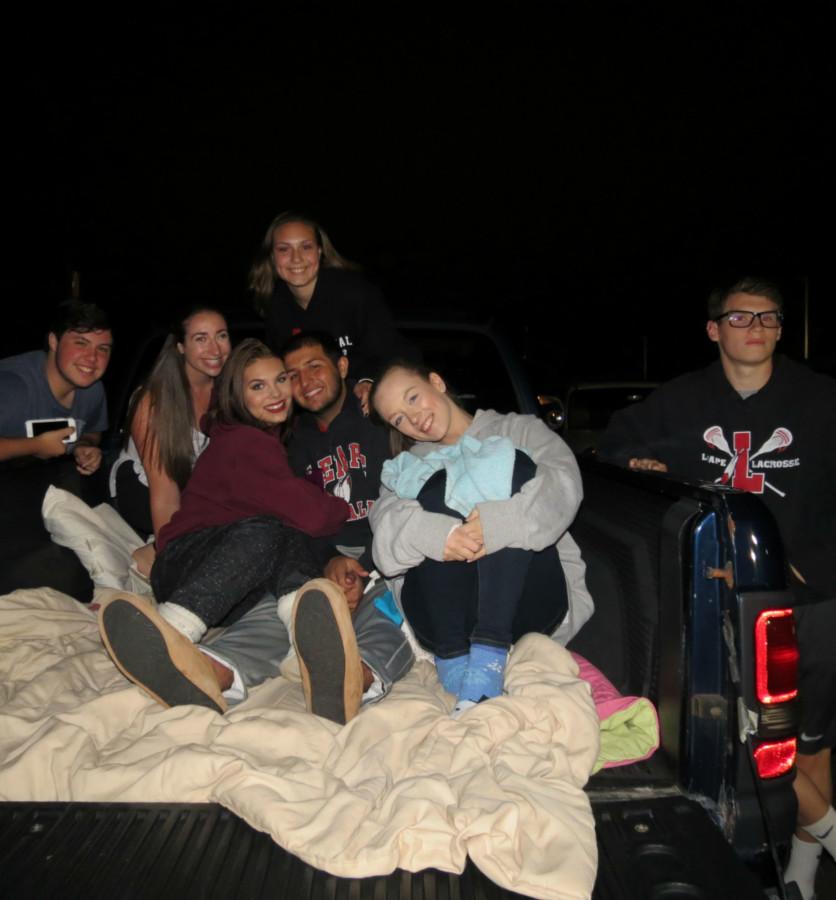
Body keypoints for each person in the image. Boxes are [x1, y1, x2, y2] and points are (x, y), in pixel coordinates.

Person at [597, 277, 836, 900]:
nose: (754, 327)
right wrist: (635, 463)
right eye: (739, 317)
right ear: (714, 329)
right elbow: (614, 443)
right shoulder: (679, 402)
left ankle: (804, 879)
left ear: (781, 329)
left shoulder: (821, 400)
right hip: (732, 602)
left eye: (768, 317)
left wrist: (813, 563)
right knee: (756, 740)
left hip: (818, 601)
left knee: (811, 744)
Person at [191, 330, 414, 721]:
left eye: (315, 367)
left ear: (342, 367)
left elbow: (409, 503)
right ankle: (213, 670)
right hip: (320, 557)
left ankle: (353, 678)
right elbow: (290, 521)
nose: (305, 382)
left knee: (392, 605)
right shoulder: (289, 444)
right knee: (281, 604)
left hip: (387, 551)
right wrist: (329, 560)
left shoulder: (378, 418)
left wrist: (366, 567)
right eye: (291, 375)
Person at [369, 360, 593, 715]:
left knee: (510, 466)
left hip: (529, 602)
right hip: (445, 622)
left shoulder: (518, 430)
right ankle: (456, 662)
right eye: (398, 418)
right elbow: (384, 538)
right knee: (433, 489)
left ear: (437, 382)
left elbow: (564, 487)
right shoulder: (405, 467)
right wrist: (440, 535)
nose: (413, 418)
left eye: (413, 398)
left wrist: (496, 524)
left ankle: (487, 658)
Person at [248, 211, 413, 412]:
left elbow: (394, 351)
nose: (296, 258)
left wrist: (369, 380)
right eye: (284, 249)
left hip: (376, 399)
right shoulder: (276, 306)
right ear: (272, 257)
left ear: (319, 251)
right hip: (319, 411)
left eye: (305, 247)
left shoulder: (355, 293)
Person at [0, 299, 112, 474]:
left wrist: (83, 447)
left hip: (35, 486)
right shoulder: (12, 384)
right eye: (81, 343)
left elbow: (92, 431)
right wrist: (37, 446)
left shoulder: (92, 388)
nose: (92, 358)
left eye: (103, 348)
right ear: (54, 342)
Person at [109, 306, 231, 539]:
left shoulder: (229, 390)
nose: (215, 349)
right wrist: (169, 554)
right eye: (201, 338)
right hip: (146, 491)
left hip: (197, 490)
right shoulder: (153, 400)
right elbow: (164, 493)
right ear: (181, 347)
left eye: (221, 336)